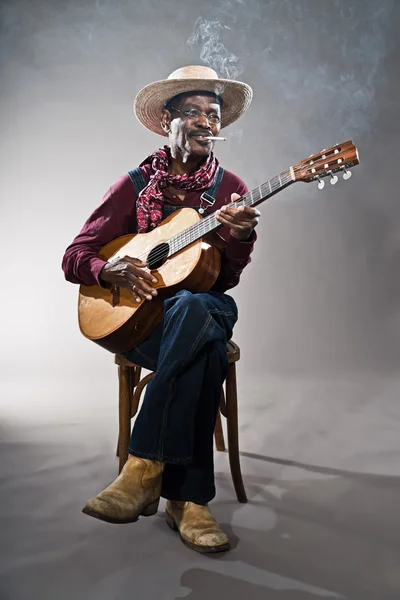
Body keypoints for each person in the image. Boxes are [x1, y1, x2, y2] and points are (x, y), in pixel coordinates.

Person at [62, 65, 260, 553]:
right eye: (191, 112)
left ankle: (142, 466)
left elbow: (226, 278)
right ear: (164, 120)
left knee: (197, 303)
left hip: (206, 307)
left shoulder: (229, 187)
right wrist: (111, 271)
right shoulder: (133, 185)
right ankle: (189, 503)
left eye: (212, 115)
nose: (204, 122)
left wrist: (239, 235)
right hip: (143, 323)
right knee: (206, 351)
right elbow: (75, 255)